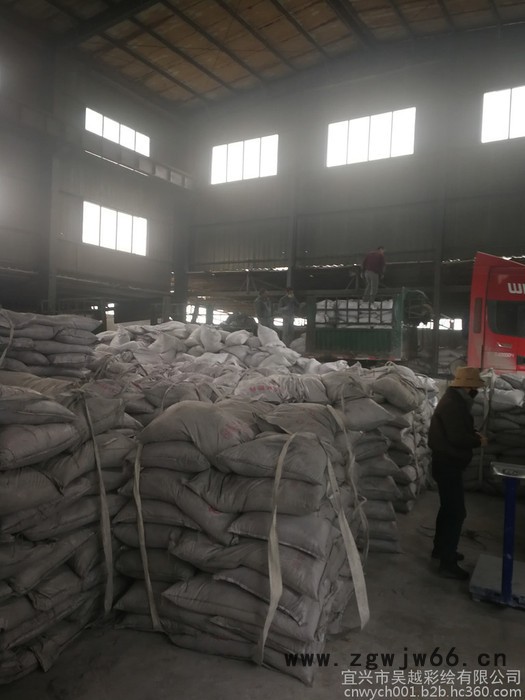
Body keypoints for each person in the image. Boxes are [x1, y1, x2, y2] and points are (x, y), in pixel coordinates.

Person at [428, 366, 488, 580]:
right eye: (474, 388)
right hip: (447, 465)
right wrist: (477, 441)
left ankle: (440, 549)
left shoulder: (456, 401)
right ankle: (447, 563)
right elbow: (456, 437)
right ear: (467, 387)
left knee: (448, 508)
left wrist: (472, 433)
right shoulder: (453, 404)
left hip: (447, 464)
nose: (476, 392)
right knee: (456, 512)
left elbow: (457, 430)